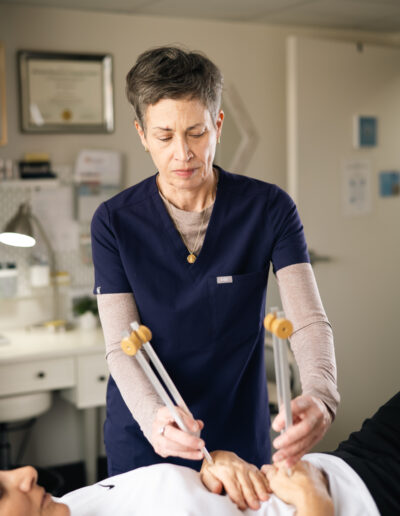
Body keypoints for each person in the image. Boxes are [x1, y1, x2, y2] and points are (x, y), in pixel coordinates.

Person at [91, 45, 339, 477]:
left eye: (197, 133)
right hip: (150, 431)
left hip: (239, 428)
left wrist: (321, 395)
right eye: (164, 136)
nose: (182, 153)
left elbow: (307, 319)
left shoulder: (269, 208)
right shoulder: (114, 222)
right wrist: (154, 417)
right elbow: (120, 345)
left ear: (218, 125)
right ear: (142, 134)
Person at [2, 391, 399, 515]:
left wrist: (217, 468)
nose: (26, 473)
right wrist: (314, 498)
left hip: (346, 462)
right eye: (1, 492)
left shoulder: (66, 505)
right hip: (373, 500)